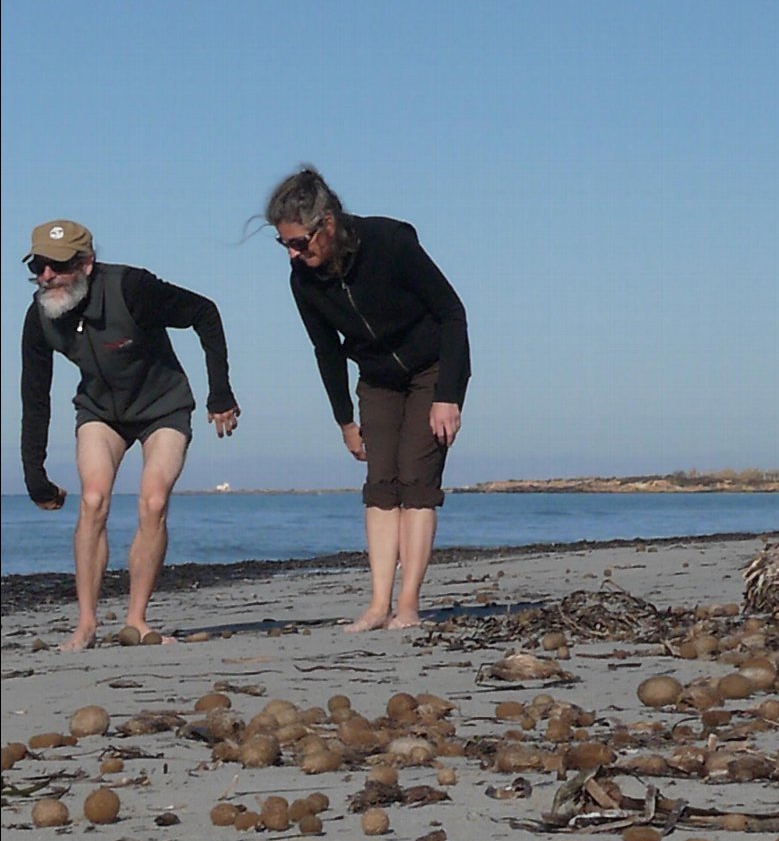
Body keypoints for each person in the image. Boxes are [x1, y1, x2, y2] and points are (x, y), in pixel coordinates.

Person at [19, 219, 241, 652]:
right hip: (101, 412)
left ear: (86, 264)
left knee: (153, 500)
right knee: (94, 499)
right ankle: (85, 624)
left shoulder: (132, 288)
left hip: (164, 407)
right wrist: (35, 475)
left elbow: (204, 313)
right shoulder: (40, 317)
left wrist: (221, 394)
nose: (47, 275)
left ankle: (137, 619)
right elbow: (34, 396)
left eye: (58, 266)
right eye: (40, 265)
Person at [264, 167, 470, 631]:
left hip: (432, 369)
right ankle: (378, 605)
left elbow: (453, 313)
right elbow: (327, 351)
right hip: (376, 377)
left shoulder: (390, 243)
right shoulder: (303, 281)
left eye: (300, 242)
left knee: (416, 483)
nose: (294, 254)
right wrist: (344, 421)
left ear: (327, 224)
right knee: (381, 486)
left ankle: (409, 605)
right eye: (285, 245)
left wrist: (448, 396)